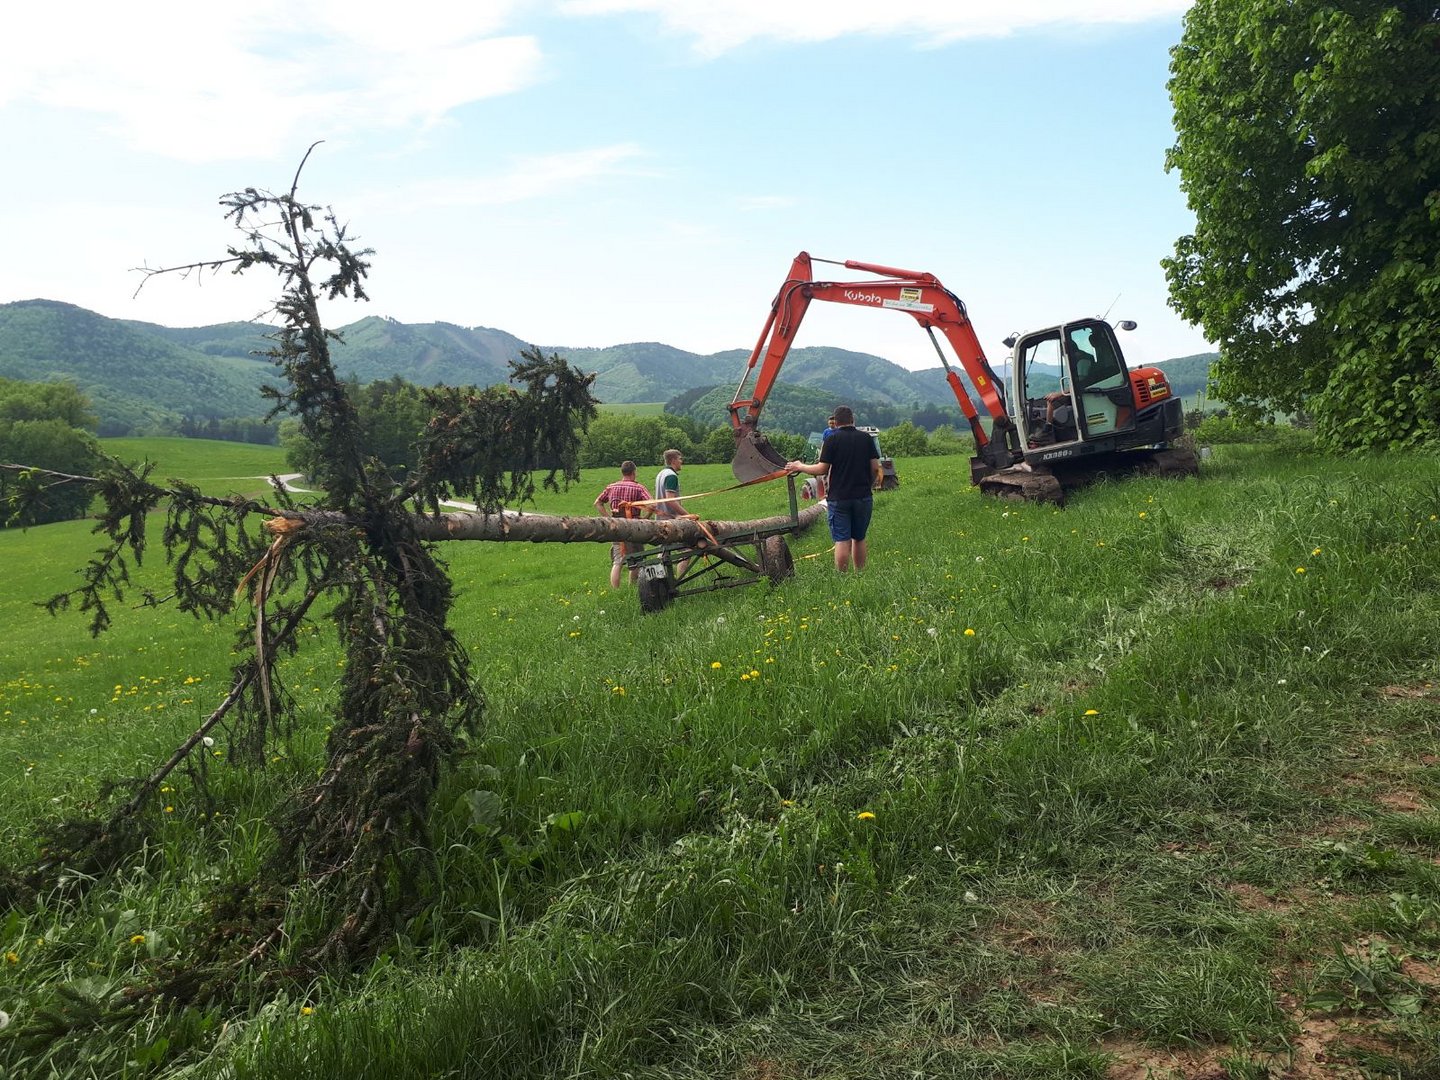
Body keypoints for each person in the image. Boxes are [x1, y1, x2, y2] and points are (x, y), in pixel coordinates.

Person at [785, 405, 881, 572]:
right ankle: (860, 574)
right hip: (863, 496)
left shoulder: (831, 439)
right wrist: (868, 484)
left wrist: (800, 466)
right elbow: (875, 468)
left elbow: (822, 469)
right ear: (853, 419)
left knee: (842, 540)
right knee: (859, 538)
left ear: (835, 422)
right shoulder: (866, 438)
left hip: (839, 497)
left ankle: (842, 578)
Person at [594, 460, 651, 589]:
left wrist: (609, 518)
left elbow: (598, 503)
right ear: (634, 472)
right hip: (634, 527)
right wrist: (645, 518)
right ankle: (632, 587)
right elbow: (652, 505)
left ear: (622, 472)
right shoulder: (638, 488)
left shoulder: (611, 487)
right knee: (636, 558)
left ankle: (616, 590)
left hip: (617, 526)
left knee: (618, 561)